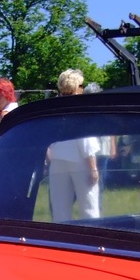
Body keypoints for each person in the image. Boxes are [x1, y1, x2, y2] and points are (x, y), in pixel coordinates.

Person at [46, 69, 101, 221]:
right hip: (80, 161)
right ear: (76, 87)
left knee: (60, 208)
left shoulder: (53, 107)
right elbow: (86, 140)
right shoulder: (80, 107)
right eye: (82, 85)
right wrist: (93, 168)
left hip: (57, 161)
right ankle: (92, 236)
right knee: (89, 206)